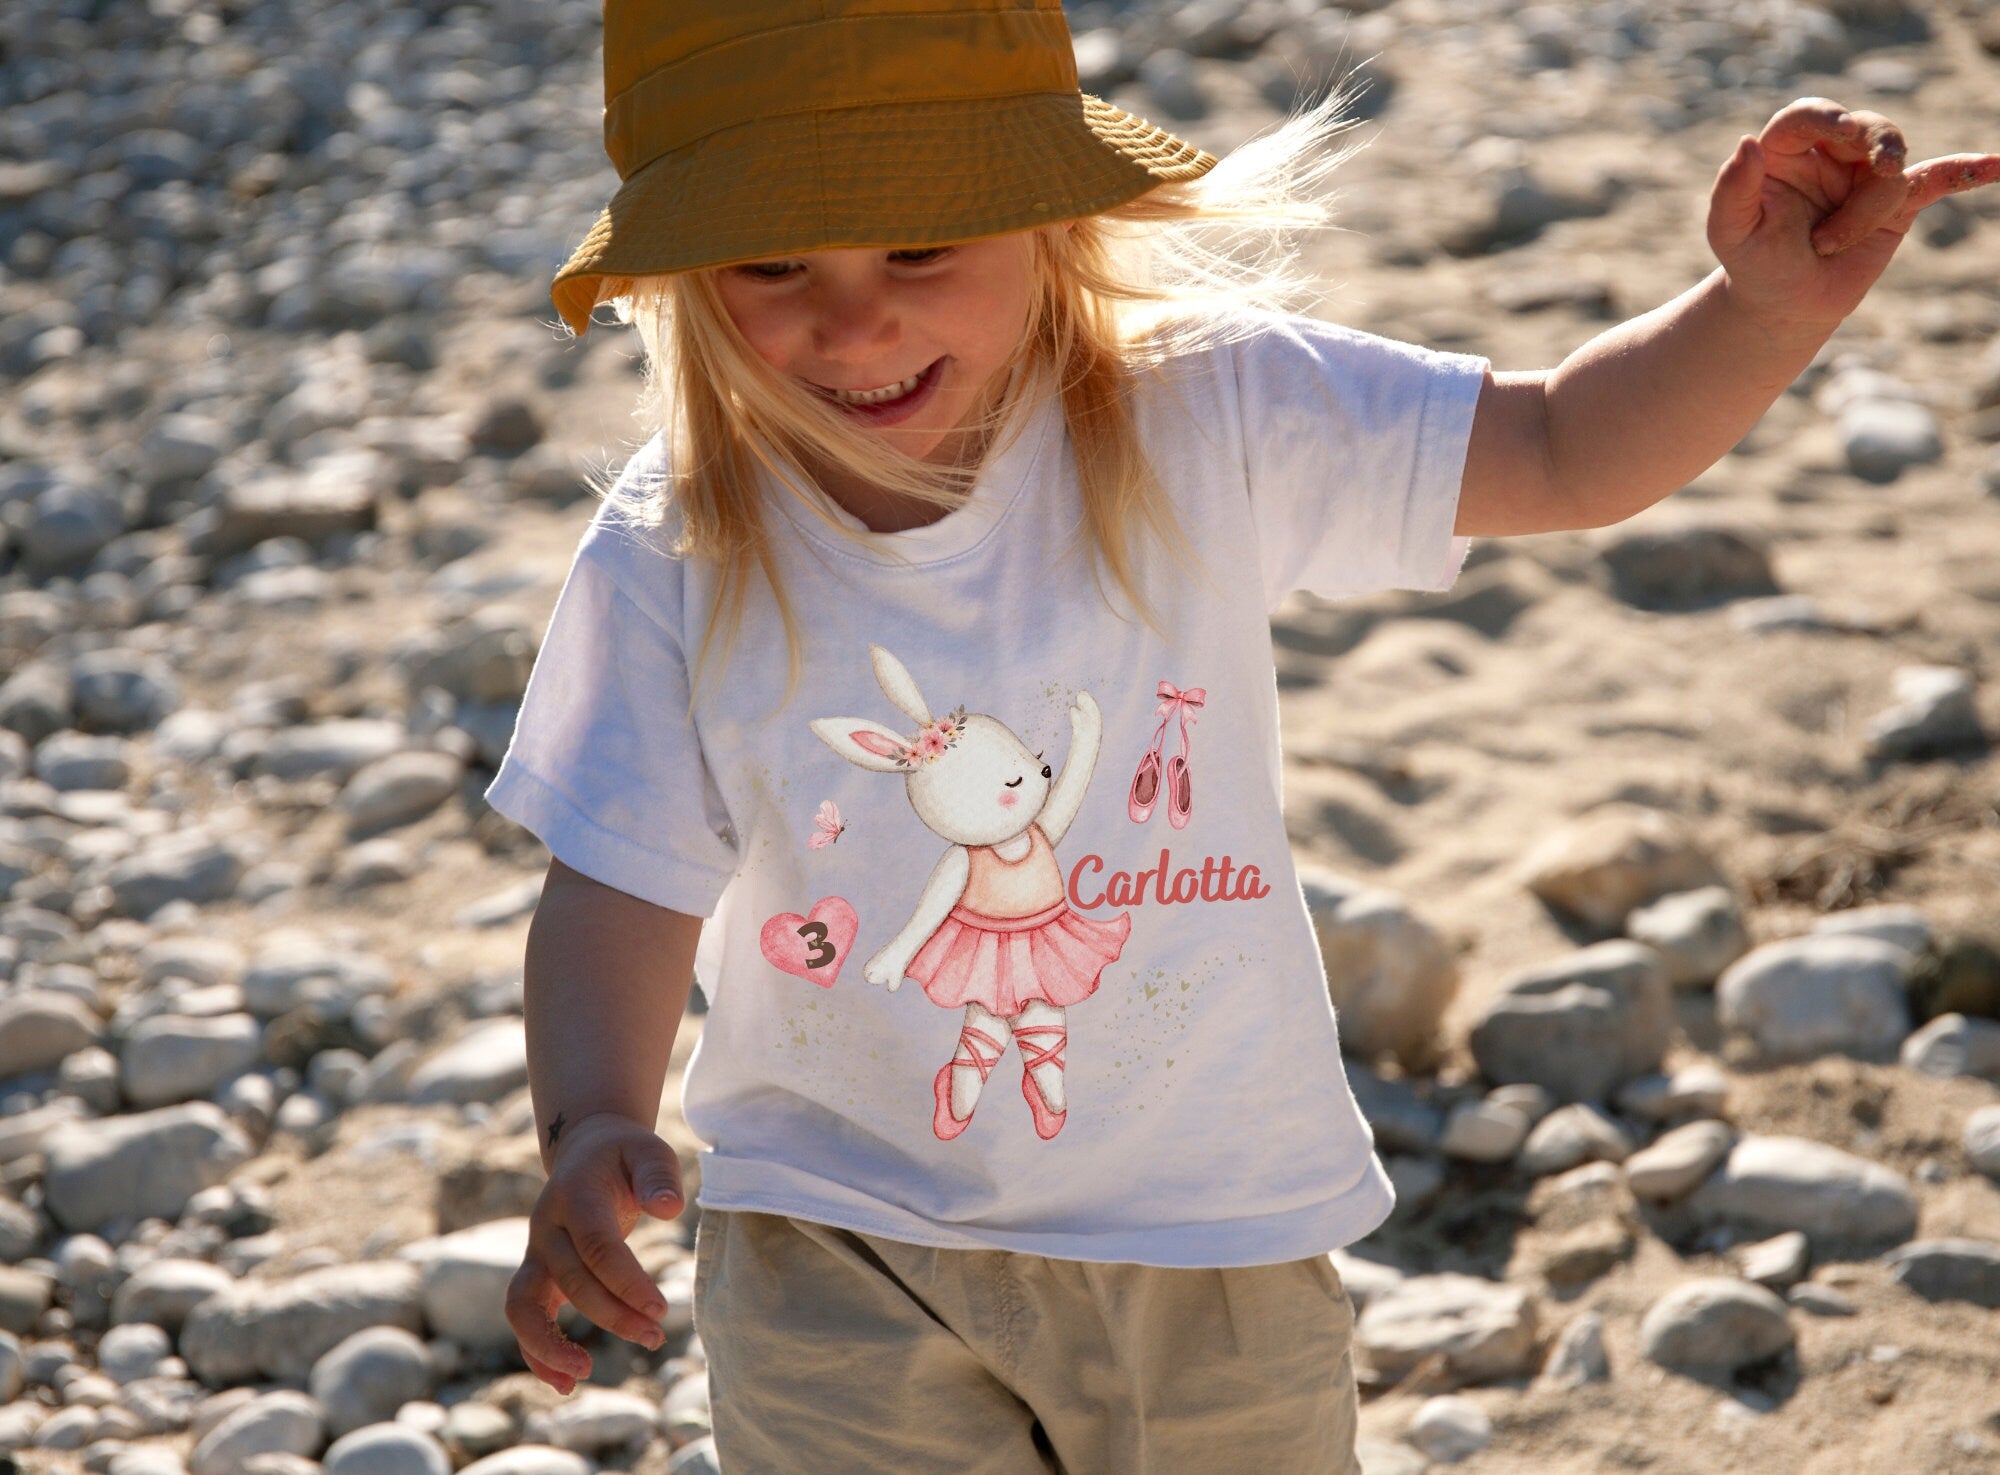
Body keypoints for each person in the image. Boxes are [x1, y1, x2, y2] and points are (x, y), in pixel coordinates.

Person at [492, 1, 2000, 1468]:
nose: (854, 316)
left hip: (1207, 1232)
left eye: (922, 245)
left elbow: (1555, 448)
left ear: (1050, 219)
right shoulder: (679, 544)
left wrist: (1755, 313)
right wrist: (592, 1122)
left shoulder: (1197, 410)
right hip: (837, 1238)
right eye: (770, 261)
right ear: (683, 276)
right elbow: (621, 877)